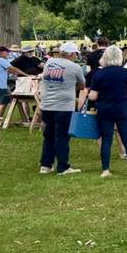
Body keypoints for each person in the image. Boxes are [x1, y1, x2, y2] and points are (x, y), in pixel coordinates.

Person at [88, 45, 127, 178]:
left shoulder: (99, 73)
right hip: (122, 108)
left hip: (105, 109)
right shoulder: (125, 72)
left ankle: (105, 170)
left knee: (106, 139)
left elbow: (93, 96)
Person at [39, 42, 85, 175]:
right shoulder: (75, 67)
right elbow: (82, 85)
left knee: (49, 135)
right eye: (75, 54)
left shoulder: (49, 63)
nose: (76, 56)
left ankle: (46, 165)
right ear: (72, 54)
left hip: (47, 104)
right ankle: (63, 166)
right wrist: (71, 86)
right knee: (62, 137)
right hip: (64, 106)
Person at [0, 46, 26, 116]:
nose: (8, 53)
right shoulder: (1, 60)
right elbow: (14, 68)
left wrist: (17, 74)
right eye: (7, 52)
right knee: (3, 103)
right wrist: (26, 75)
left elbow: (8, 70)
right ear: (1, 53)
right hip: (0, 86)